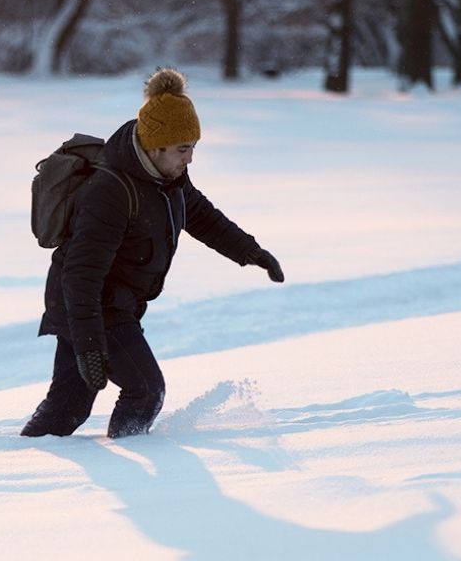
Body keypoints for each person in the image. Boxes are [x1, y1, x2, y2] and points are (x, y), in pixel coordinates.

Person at [21, 68, 284, 439]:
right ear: (155, 146)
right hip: (90, 307)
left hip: (111, 304)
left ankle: (32, 460)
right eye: (182, 149)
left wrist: (250, 251)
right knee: (146, 391)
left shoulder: (168, 178)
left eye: (193, 148)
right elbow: (81, 276)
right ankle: (134, 474)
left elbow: (199, 215)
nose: (189, 159)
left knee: (69, 406)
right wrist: (90, 344)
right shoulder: (110, 191)